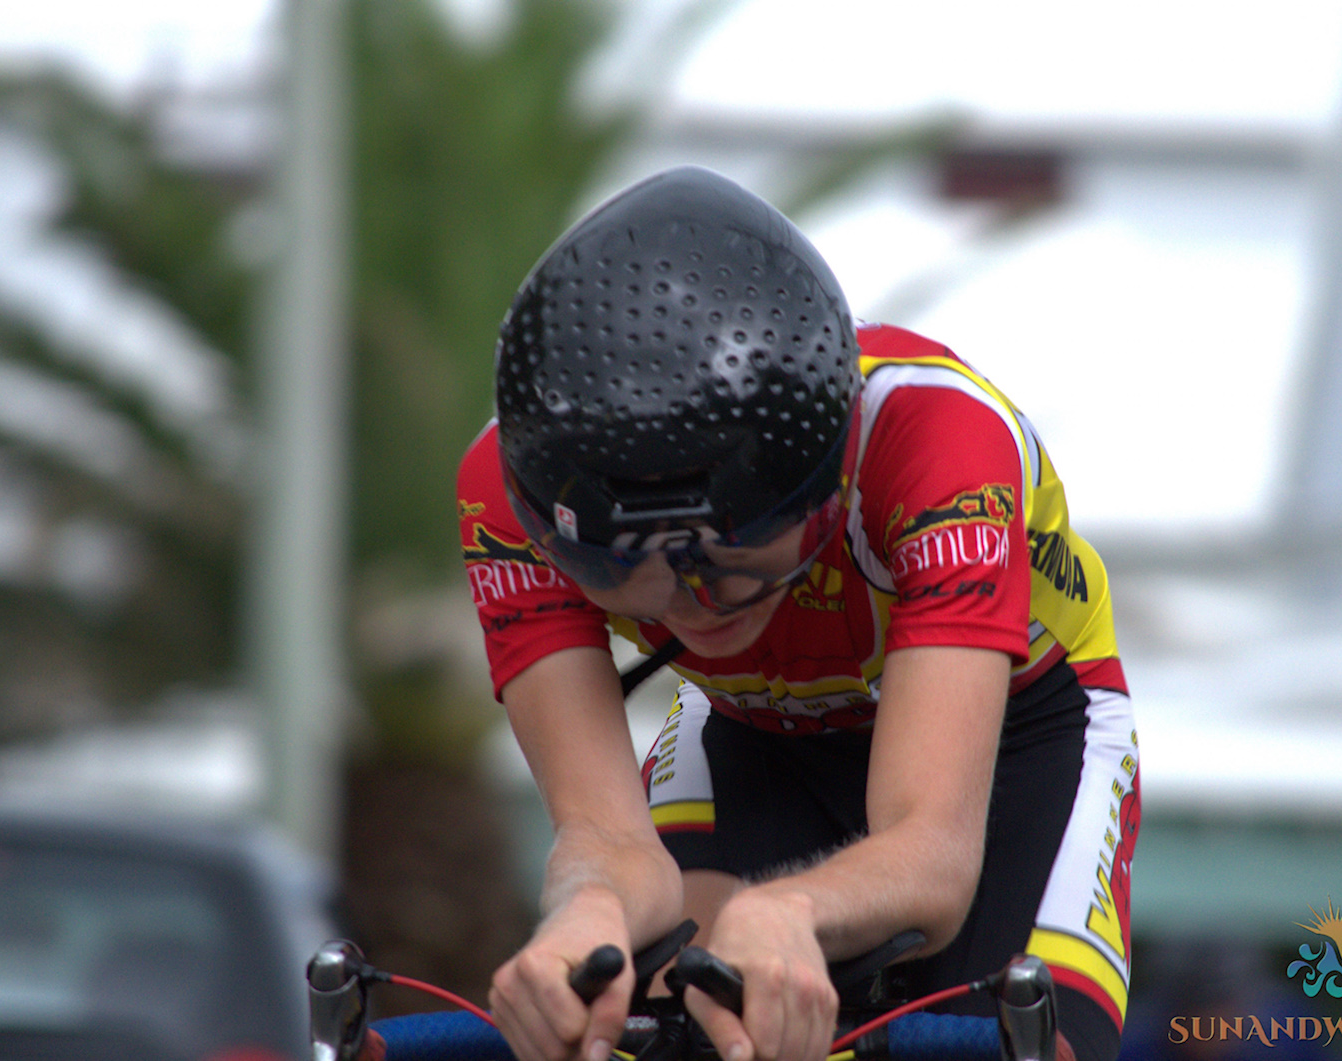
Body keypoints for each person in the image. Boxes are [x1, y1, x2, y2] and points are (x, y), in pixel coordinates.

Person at [457, 165, 1138, 1061]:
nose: (688, 607)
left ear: (829, 488)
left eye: (730, 562)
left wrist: (788, 908)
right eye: (625, 576)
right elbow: (609, 841)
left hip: (1019, 730)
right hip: (750, 726)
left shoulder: (937, 440)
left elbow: (929, 853)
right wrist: (583, 911)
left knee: (1028, 1041)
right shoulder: (501, 498)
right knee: (665, 1026)